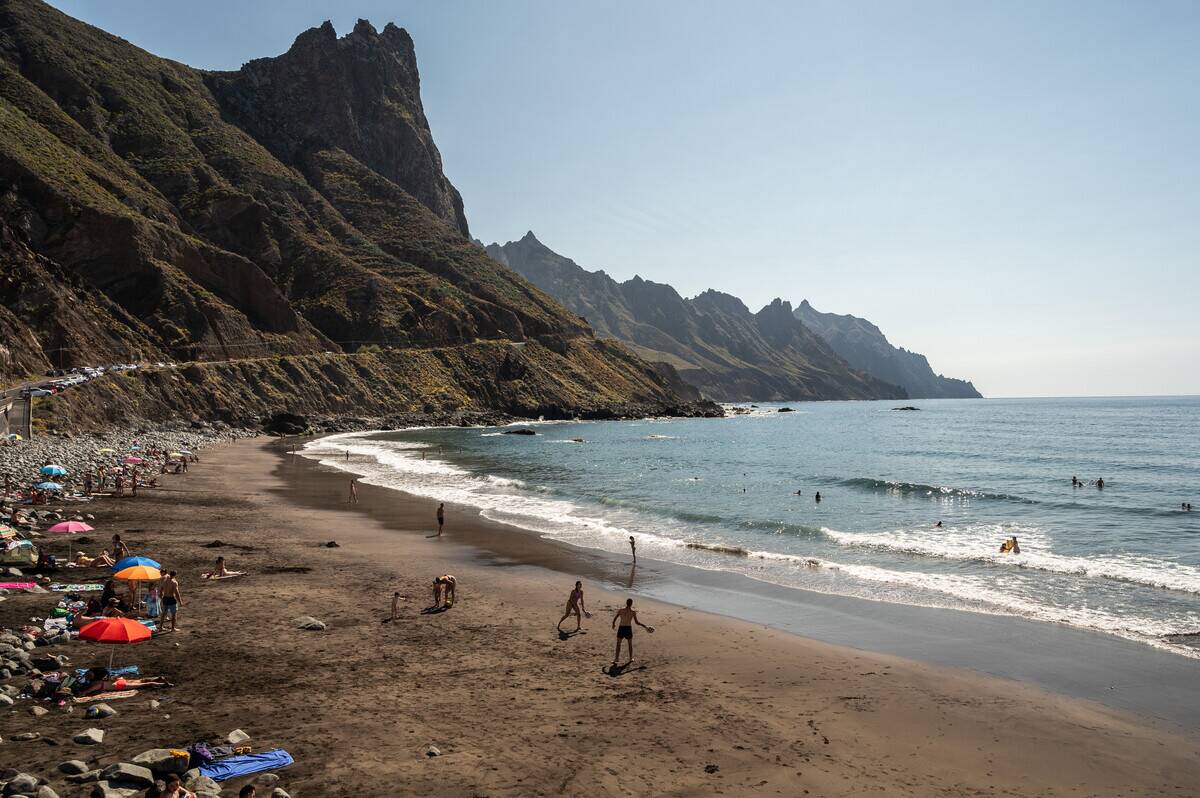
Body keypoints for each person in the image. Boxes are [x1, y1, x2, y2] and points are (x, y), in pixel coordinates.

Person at [612, 598, 653, 667]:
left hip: (621, 628)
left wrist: (613, 624)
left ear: (626, 603)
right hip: (628, 628)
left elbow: (615, 618)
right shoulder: (633, 612)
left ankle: (616, 658)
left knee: (618, 644)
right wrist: (645, 626)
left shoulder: (621, 610)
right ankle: (631, 658)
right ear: (631, 604)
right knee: (630, 644)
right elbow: (637, 622)